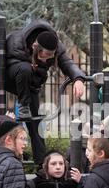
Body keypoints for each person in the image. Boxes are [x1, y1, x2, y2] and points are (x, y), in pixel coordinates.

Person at [5, 19, 86, 164]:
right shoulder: (16, 43)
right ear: (35, 47)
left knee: (36, 125)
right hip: (11, 77)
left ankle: (41, 164)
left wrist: (78, 78)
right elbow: (5, 64)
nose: (48, 58)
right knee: (24, 69)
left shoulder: (55, 47)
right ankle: (23, 105)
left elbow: (67, 63)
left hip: (30, 86)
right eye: (45, 55)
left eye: (51, 55)